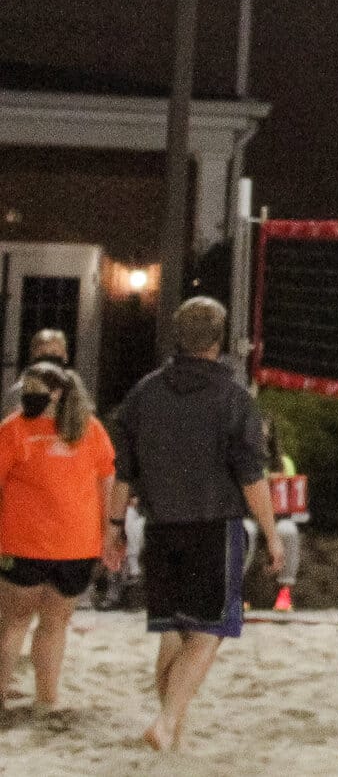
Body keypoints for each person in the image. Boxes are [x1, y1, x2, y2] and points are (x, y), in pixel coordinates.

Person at [108, 295, 284, 753]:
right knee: (208, 633)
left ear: (177, 337)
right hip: (213, 528)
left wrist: (112, 527)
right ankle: (167, 722)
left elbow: (122, 471)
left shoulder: (143, 393)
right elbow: (252, 476)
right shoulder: (234, 398)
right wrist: (271, 534)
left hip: (160, 528)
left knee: (173, 630)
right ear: (220, 341)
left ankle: (173, 733)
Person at [0, 363, 113, 711]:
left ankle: (4, 693)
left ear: (56, 392)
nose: (27, 395)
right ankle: (46, 699)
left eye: (33, 388)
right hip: (76, 547)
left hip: (24, 544)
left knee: (14, 623)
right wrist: (107, 530)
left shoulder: (14, 429)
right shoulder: (89, 429)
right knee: (54, 625)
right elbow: (106, 480)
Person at [240, 412, 303, 612]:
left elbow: (291, 492)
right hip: (250, 516)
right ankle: (237, 591)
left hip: (279, 517)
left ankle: (285, 591)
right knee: (245, 531)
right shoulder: (243, 461)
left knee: (289, 531)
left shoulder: (285, 463)